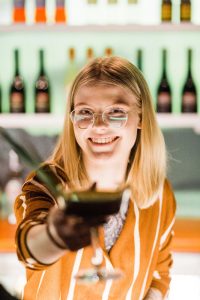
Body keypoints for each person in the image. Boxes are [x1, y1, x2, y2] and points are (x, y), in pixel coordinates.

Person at [14, 56, 176, 300]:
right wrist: (54, 237)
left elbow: (159, 272)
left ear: (141, 117)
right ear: (72, 120)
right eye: (85, 113)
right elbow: (30, 248)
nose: (99, 126)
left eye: (116, 112)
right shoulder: (48, 184)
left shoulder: (159, 193)